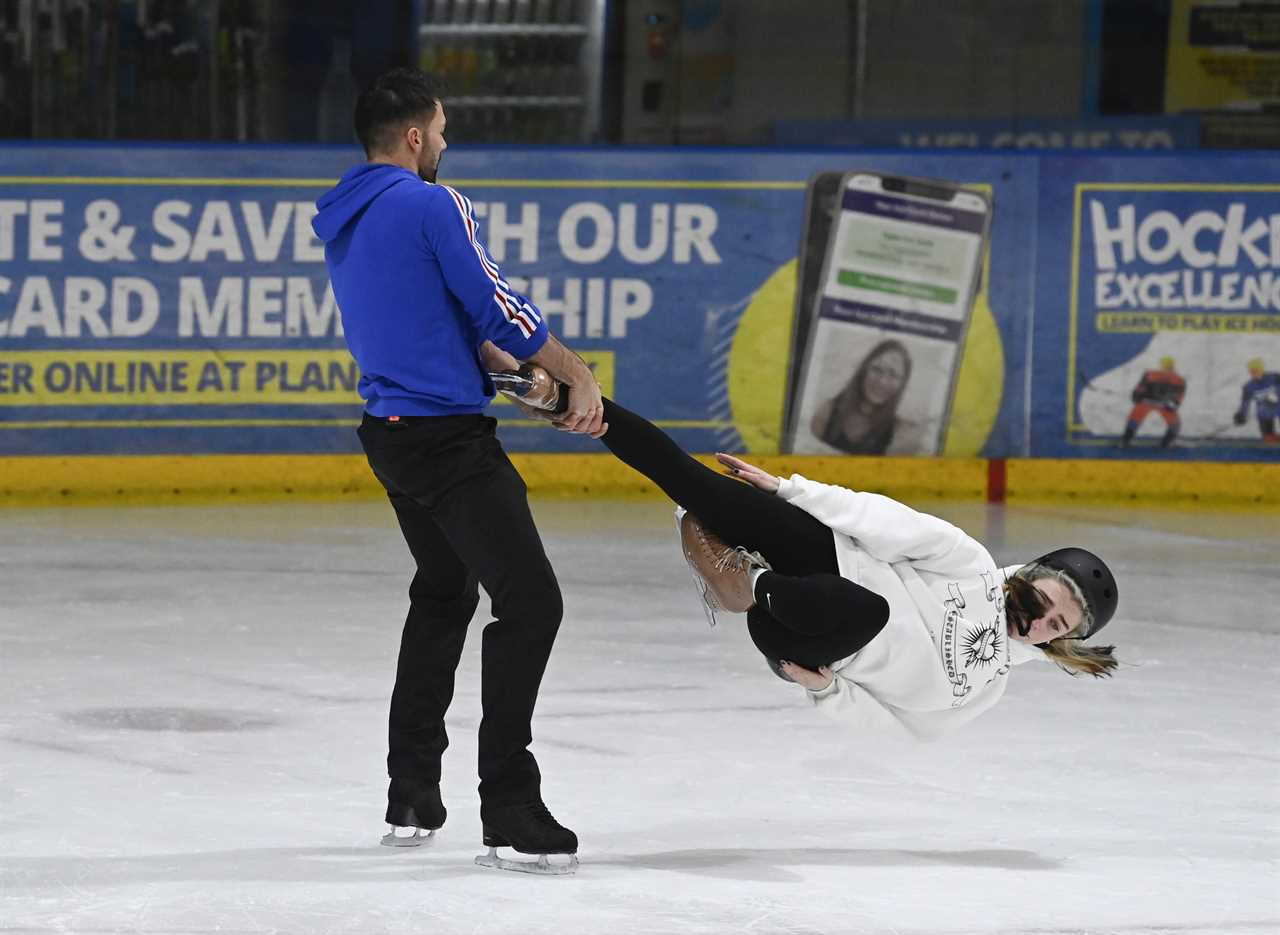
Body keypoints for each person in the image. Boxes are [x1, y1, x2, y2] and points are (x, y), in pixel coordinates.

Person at [311, 67, 603, 873]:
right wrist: (571, 369)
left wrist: (510, 374)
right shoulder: (433, 202)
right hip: (447, 444)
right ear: (413, 136)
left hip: (393, 435)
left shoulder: (348, 215)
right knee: (532, 603)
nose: (445, 142)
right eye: (439, 130)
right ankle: (510, 809)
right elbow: (493, 302)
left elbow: (427, 316)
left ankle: (411, 789)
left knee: (444, 591)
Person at [569, 395, 1120, 738]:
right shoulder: (970, 564)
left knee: (868, 610)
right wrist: (788, 489)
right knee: (697, 483)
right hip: (820, 559)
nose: (1042, 621)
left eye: (1057, 626)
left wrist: (829, 693)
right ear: (1031, 576)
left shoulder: (983, 690)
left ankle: (746, 583)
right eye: (1046, 602)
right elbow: (888, 521)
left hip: (811, 639)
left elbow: (905, 728)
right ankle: (575, 402)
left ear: (1064, 640)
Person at [811, 339, 917, 455]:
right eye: (877, 369)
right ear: (863, 371)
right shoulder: (826, 412)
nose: (882, 382)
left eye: (893, 375)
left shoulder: (899, 434)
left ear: (902, 384)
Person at [1121, 356, 1185, 448]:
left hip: (1146, 402)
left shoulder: (1150, 374)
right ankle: (1166, 443)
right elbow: (1179, 395)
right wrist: (1175, 405)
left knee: (1134, 419)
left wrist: (1136, 396)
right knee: (1175, 424)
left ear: (1161, 365)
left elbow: (1140, 387)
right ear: (1172, 366)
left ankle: (1126, 440)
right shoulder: (1179, 379)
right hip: (1163, 404)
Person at [1233, 358, 1280, 443]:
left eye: (1257, 371)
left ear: (1262, 370)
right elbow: (1245, 403)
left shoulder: (1275, 378)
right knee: (1269, 438)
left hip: (1278, 408)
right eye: (1252, 372)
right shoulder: (1248, 387)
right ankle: (1270, 437)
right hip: (1265, 414)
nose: (1254, 374)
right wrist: (1241, 415)